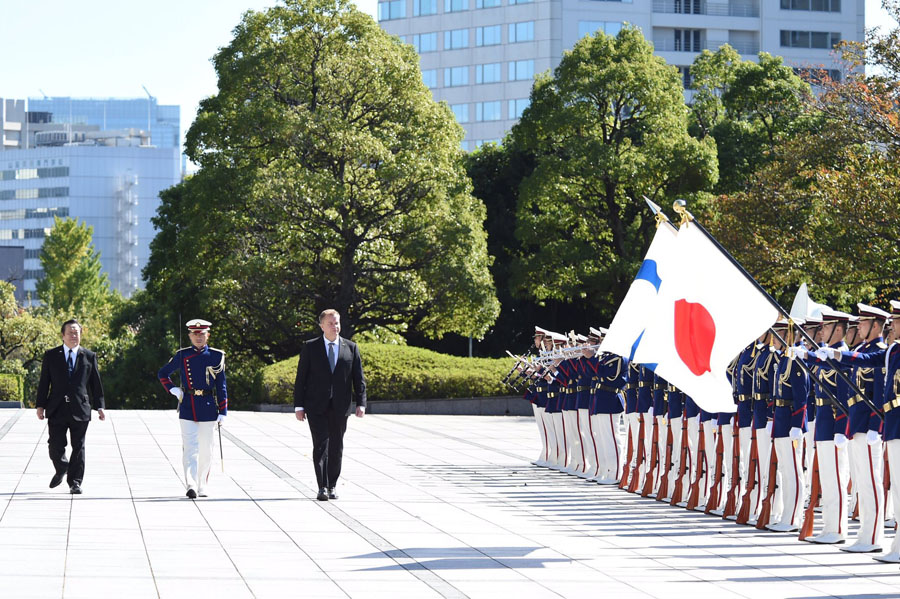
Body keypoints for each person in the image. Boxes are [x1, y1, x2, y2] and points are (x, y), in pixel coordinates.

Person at [294, 309, 366, 501]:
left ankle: (332, 484)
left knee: (336, 446)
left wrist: (361, 403)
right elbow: (301, 378)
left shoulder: (350, 347)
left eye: (337, 323)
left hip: (340, 406)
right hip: (316, 405)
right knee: (320, 445)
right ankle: (322, 487)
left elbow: (358, 378)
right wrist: (298, 406)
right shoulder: (311, 347)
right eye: (331, 323)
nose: (335, 327)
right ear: (322, 326)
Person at [158, 319, 227, 499]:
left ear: (207, 335)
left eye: (202, 334)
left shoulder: (216, 356)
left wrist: (223, 411)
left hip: (208, 406)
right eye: (195, 334)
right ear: (189, 336)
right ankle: (191, 484)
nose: (198, 337)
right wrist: (173, 389)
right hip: (188, 404)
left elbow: (221, 385)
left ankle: (202, 484)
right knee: (189, 448)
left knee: (206, 449)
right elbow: (163, 373)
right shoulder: (182, 355)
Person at [35, 319, 106, 495]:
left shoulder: (89, 356)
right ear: (63, 335)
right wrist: (40, 405)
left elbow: (95, 383)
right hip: (56, 407)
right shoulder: (51, 355)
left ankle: (75, 482)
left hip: (80, 408)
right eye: (70, 332)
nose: (74, 336)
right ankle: (61, 467)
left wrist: (100, 406)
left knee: (78, 446)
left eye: (77, 332)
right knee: (55, 445)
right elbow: (44, 382)